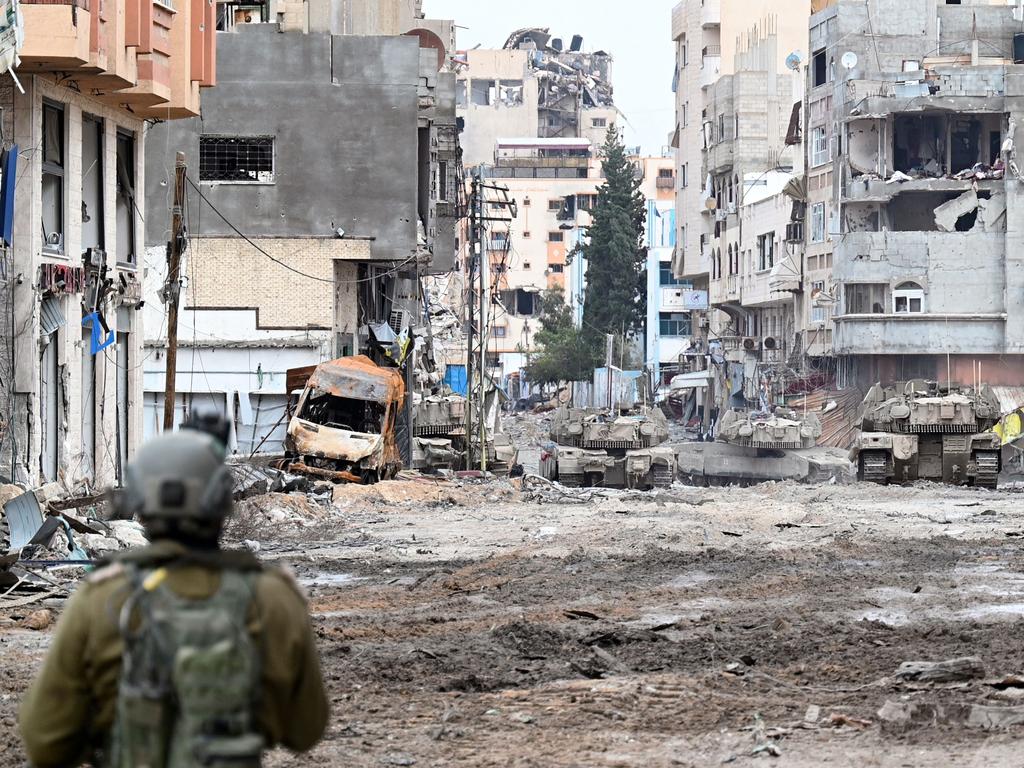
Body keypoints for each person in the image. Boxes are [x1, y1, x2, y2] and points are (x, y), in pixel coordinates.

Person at [19, 428, 329, 767]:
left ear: (144, 509)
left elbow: (45, 742)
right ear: (222, 507)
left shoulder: (102, 598)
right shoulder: (273, 598)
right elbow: (306, 730)